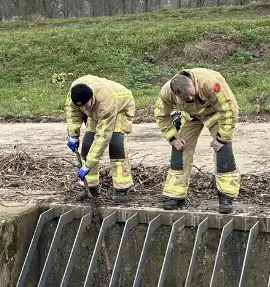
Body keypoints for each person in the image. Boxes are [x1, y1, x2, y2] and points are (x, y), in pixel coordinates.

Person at [155, 68, 240, 214]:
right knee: (180, 149)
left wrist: (222, 138)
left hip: (215, 114)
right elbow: (161, 116)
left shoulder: (210, 83)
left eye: (192, 94)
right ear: (176, 95)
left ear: (193, 84)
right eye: (185, 98)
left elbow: (229, 110)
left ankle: (226, 196)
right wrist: (173, 138)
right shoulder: (166, 92)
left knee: (223, 150)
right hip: (190, 116)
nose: (190, 98)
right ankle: (176, 194)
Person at [65, 75, 136, 201]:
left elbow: (102, 137)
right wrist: (73, 135)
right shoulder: (74, 94)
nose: (83, 110)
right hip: (96, 110)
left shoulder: (106, 103)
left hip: (120, 107)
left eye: (85, 107)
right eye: (80, 107)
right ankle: (90, 187)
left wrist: (88, 165)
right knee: (87, 145)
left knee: (116, 145)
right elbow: (73, 114)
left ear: (92, 98)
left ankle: (123, 188)